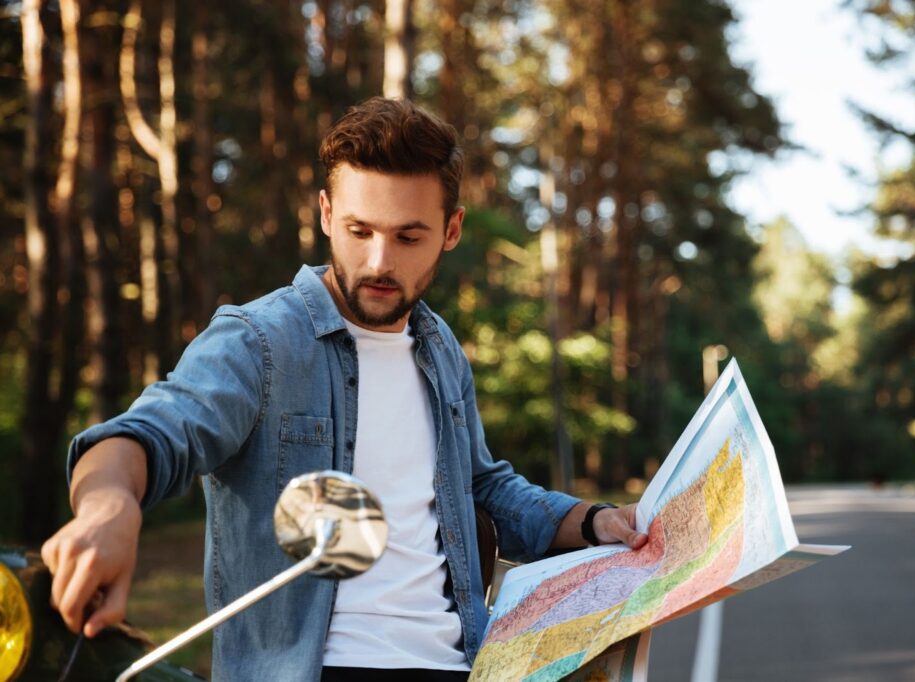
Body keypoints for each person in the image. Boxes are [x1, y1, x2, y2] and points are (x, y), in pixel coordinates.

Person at [41, 97, 647, 681]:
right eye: (360, 230)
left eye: (409, 237)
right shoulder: (258, 342)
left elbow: (481, 488)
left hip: (462, 664)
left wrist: (595, 522)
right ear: (328, 213)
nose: (380, 261)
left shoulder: (440, 352)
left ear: (452, 230)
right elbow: (149, 433)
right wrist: (108, 507)